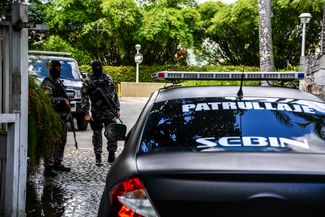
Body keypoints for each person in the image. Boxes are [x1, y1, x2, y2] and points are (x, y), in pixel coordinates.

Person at [81, 60, 120, 166]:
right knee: (97, 135)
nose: (98, 68)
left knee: (112, 132)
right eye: (96, 67)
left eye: (99, 66)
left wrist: (117, 109)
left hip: (109, 110)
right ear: (92, 68)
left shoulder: (108, 78)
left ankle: (111, 154)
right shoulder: (88, 81)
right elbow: (84, 97)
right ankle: (98, 156)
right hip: (96, 111)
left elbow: (114, 94)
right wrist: (86, 113)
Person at [41, 60, 71, 177]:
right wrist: (62, 101)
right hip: (52, 118)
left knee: (61, 141)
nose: (58, 70)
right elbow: (47, 100)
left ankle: (57, 163)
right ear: (51, 68)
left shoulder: (59, 82)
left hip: (61, 117)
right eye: (56, 68)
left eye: (59, 68)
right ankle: (48, 167)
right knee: (50, 142)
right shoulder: (47, 83)